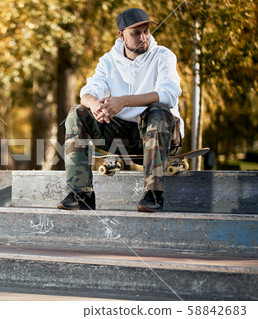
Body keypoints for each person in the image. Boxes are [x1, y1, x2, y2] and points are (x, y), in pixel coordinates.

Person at [57, 8, 183, 212]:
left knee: (158, 109)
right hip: (122, 137)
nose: (143, 38)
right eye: (136, 33)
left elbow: (169, 94)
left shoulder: (163, 56)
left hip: (162, 135)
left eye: (146, 32)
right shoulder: (108, 61)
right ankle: (81, 193)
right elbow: (87, 92)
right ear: (121, 35)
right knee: (77, 112)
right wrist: (95, 104)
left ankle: (153, 194)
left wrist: (123, 101)